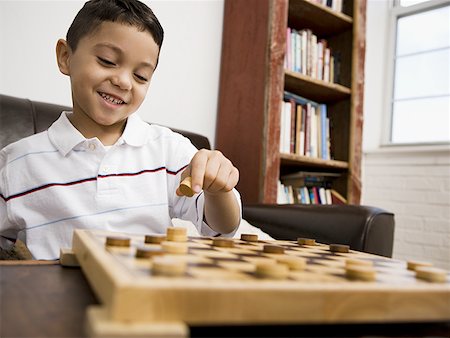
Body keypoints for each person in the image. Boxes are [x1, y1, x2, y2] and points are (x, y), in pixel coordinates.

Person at [0, 0, 241, 260]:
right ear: (65, 57)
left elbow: (222, 228)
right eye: (107, 61)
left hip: (146, 296)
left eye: (141, 76)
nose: (124, 82)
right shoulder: (15, 164)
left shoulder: (168, 150)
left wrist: (218, 191)